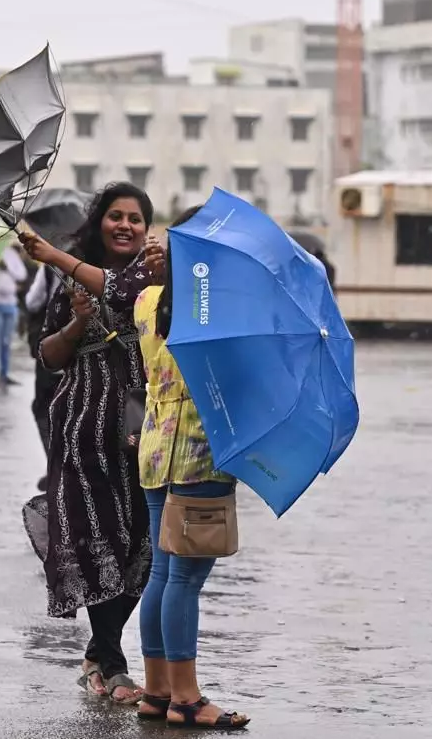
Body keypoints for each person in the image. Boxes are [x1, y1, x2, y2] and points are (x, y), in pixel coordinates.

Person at [19, 182, 163, 706]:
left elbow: (122, 294)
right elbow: (49, 356)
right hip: (82, 426)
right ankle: (113, 662)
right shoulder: (70, 283)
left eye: (136, 218)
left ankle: (98, 654)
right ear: (99, 221)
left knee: (139, 546)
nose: (125, 226)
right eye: (115, 216)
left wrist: (51, 253)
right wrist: (78, 321)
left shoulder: (151, 275)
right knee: (96, 537)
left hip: (144, 428)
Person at [133, 209, 249, 730]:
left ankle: (156, 690)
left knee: (163, 569)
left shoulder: (149, 300)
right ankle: (186, 697)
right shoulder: (217, 312)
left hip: (156, 446)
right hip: (199, 447)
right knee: (186, 574)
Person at [25, 260, 63, 453]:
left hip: (52, 347)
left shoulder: (51, 265)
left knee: (44, 408)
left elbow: (32, 302)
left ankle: (55, 466)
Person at [0, 248, 27, 387]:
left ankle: (4, 373)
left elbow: (22, 275)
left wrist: (7, 267)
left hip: (11, 303)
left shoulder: (12, 255)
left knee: (6, 341)